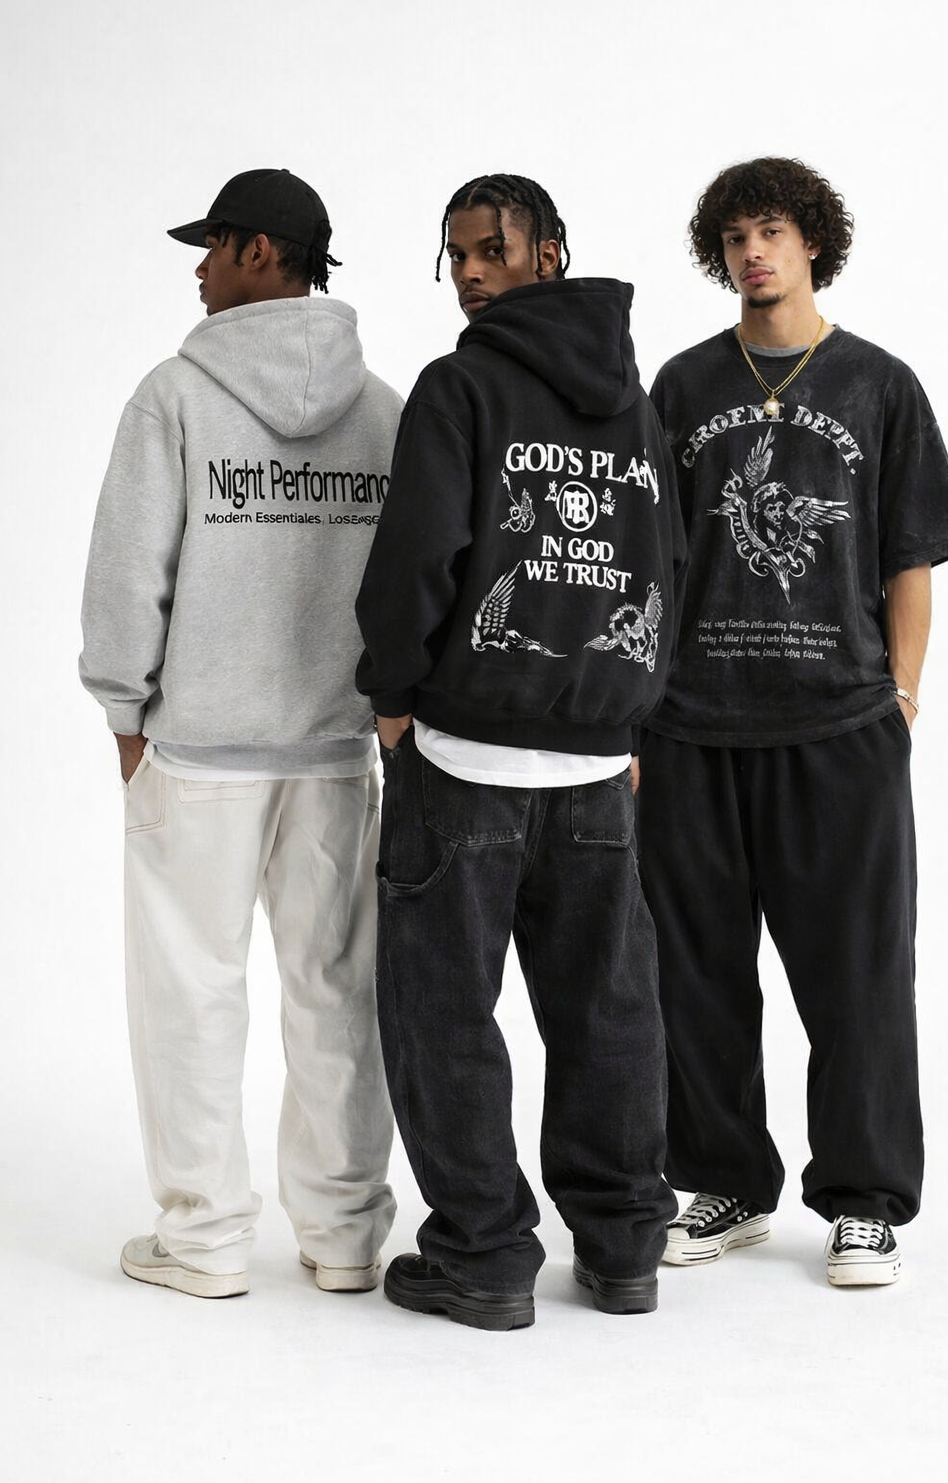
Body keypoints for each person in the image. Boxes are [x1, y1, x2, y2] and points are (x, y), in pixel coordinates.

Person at [639, 156, 948, 1287]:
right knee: (694, 974)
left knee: (859, 976)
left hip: (840, 731)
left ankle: (865, 1201)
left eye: (772, 231)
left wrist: (903, 697)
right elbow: (649, 558)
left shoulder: (879, 384)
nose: (753, 253)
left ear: (813, 241)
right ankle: (726, 1184)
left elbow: (910, 555)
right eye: (735, 237)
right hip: (690, 731)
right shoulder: (683, 386)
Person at [355, 173, 686, 1330]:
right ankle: (624, 1247)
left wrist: (392, 695)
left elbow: (414, 557)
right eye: (455, 255)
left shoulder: (460, 387)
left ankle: (486, 1256)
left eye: (491, 249)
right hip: (596, 765)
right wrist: (628, 713)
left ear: (550, 252)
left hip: (466, 757)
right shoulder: (632, 407)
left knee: (442, 1009)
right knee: (609, 1007)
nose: (470, 273)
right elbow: (664, 564)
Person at [80, 168, 401, 1297]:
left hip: (203, 751)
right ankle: (347, 1235)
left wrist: (124, 708)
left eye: (213, 245)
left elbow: (130, 569)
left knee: (191, 989)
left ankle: (206, 1239)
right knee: (339, 992)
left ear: (261, 251)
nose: (200, 268)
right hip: (337, 754)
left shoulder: (174, 396)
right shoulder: (383, 410)